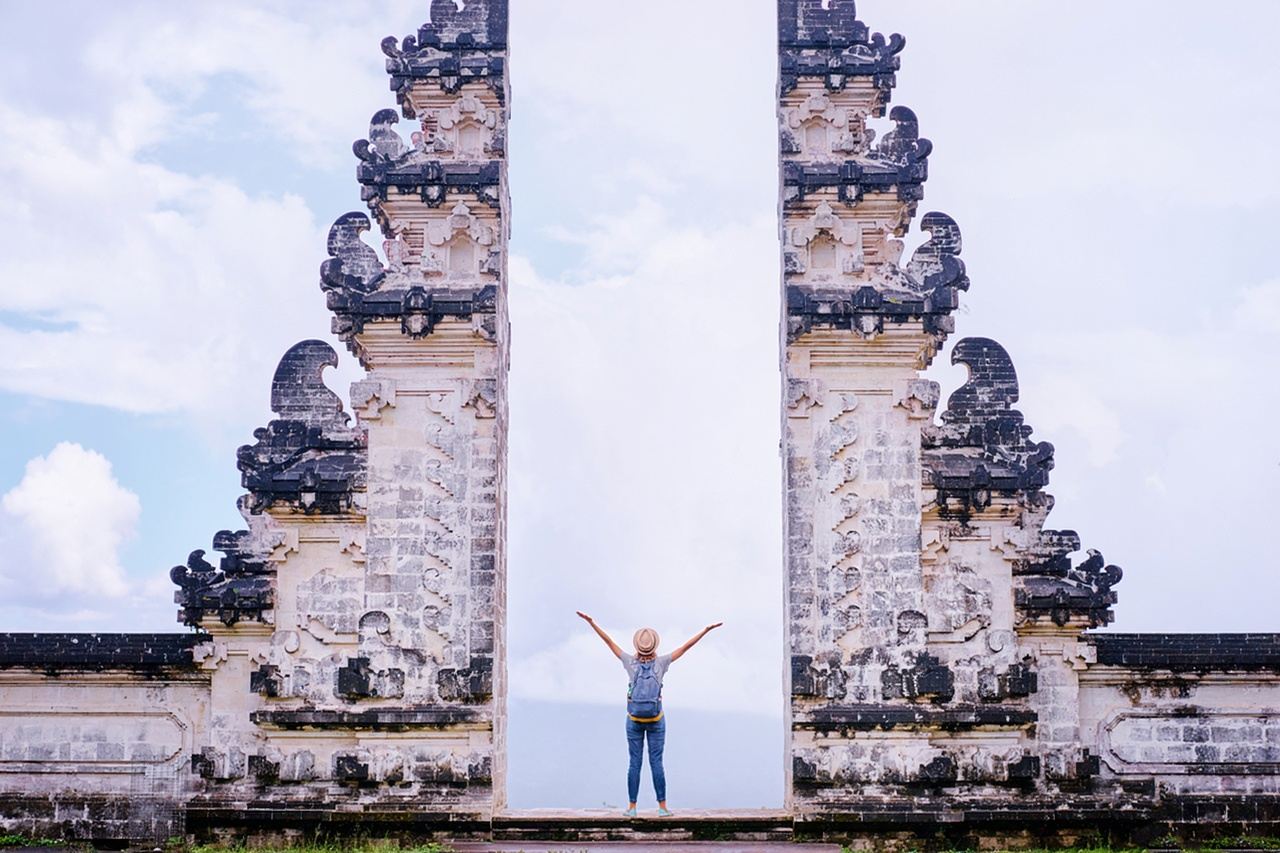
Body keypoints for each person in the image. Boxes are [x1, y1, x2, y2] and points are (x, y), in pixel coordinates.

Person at [576, 611, 723, 817]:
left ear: (637, 645)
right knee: (657, 762)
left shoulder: (629, 661)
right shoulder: (662, 663)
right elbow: (685, 647)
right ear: (655, 645)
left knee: (634, 762)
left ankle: (632, 808)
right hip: (656, 720)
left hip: (634, 720)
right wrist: (705, 630)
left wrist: (591, 622)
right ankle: (662, 808)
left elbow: (608, 641)